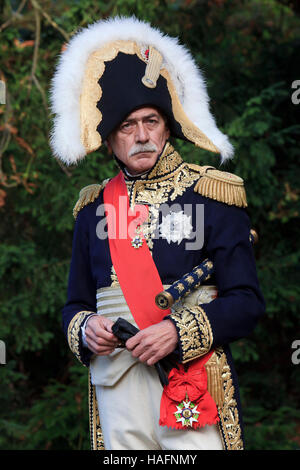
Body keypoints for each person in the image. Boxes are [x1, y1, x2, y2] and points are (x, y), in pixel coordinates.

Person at [50, 17, 265, 451]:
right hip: (116, 385)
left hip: (192, 380)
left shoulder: (213, 196)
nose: (143, 135)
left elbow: (247, 303)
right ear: (109, 138)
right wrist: (85, 327)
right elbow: (75, 302)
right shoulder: (92, 209)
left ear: (168, 125)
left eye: (151, 120)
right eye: (128, 126)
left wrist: (179, 331)